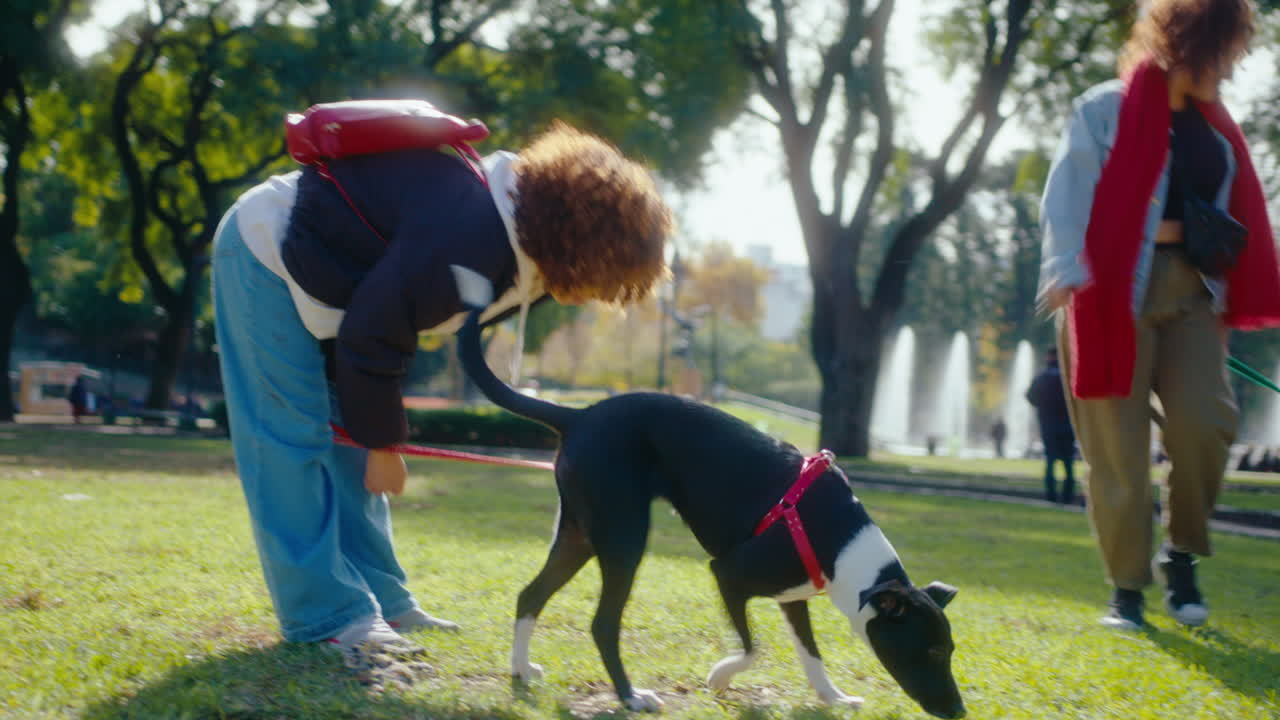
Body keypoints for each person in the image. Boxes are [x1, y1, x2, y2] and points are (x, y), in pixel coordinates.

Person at [212, 119, 672, 654]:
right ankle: (326, 617)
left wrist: (373, 442)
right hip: (265, 252)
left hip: (335, 289)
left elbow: (380, 327)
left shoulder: (521, 249)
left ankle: (384, 602)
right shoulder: (472, 234)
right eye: (606, 278)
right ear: (585, 244)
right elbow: (375, 331)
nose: (599, 294)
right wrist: (384, 445)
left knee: (350, 456)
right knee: (290, 439)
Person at [1037, 0, 1280, 631]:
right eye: (1223, 51)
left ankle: (1182, 553)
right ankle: (1127, 589)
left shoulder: (1218, 128)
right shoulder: (1104, 108)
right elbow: (1067, 192)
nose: (1229, 66)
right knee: (1118, 451)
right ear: (1189, 43)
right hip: (1110, 292)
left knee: (1207, 422)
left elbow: (1237, 212)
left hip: (1192, 292)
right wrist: (1064, 269)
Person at [1025, 347, 1076, 504]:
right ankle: (1067, 497)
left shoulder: (1042, 378)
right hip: (1067, 425)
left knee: (1050, 461)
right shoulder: (1069, 377)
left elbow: (1030, 397)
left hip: (1048, 425)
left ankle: (1051, 496)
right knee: (1068, 463)